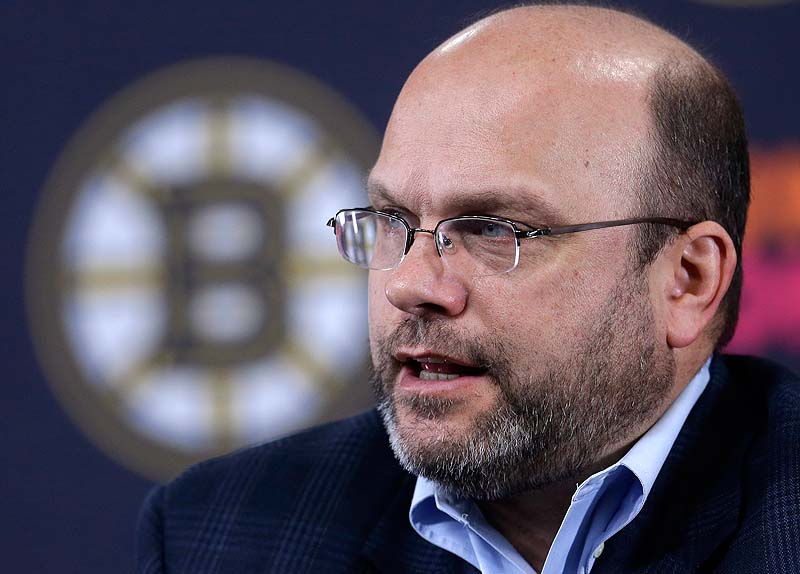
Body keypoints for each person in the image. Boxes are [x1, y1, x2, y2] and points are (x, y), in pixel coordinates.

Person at [136, 4, 800, 574]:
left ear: (687, 280)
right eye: (393, 221)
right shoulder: (220, 535)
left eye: (494, 230)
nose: (411, 284)